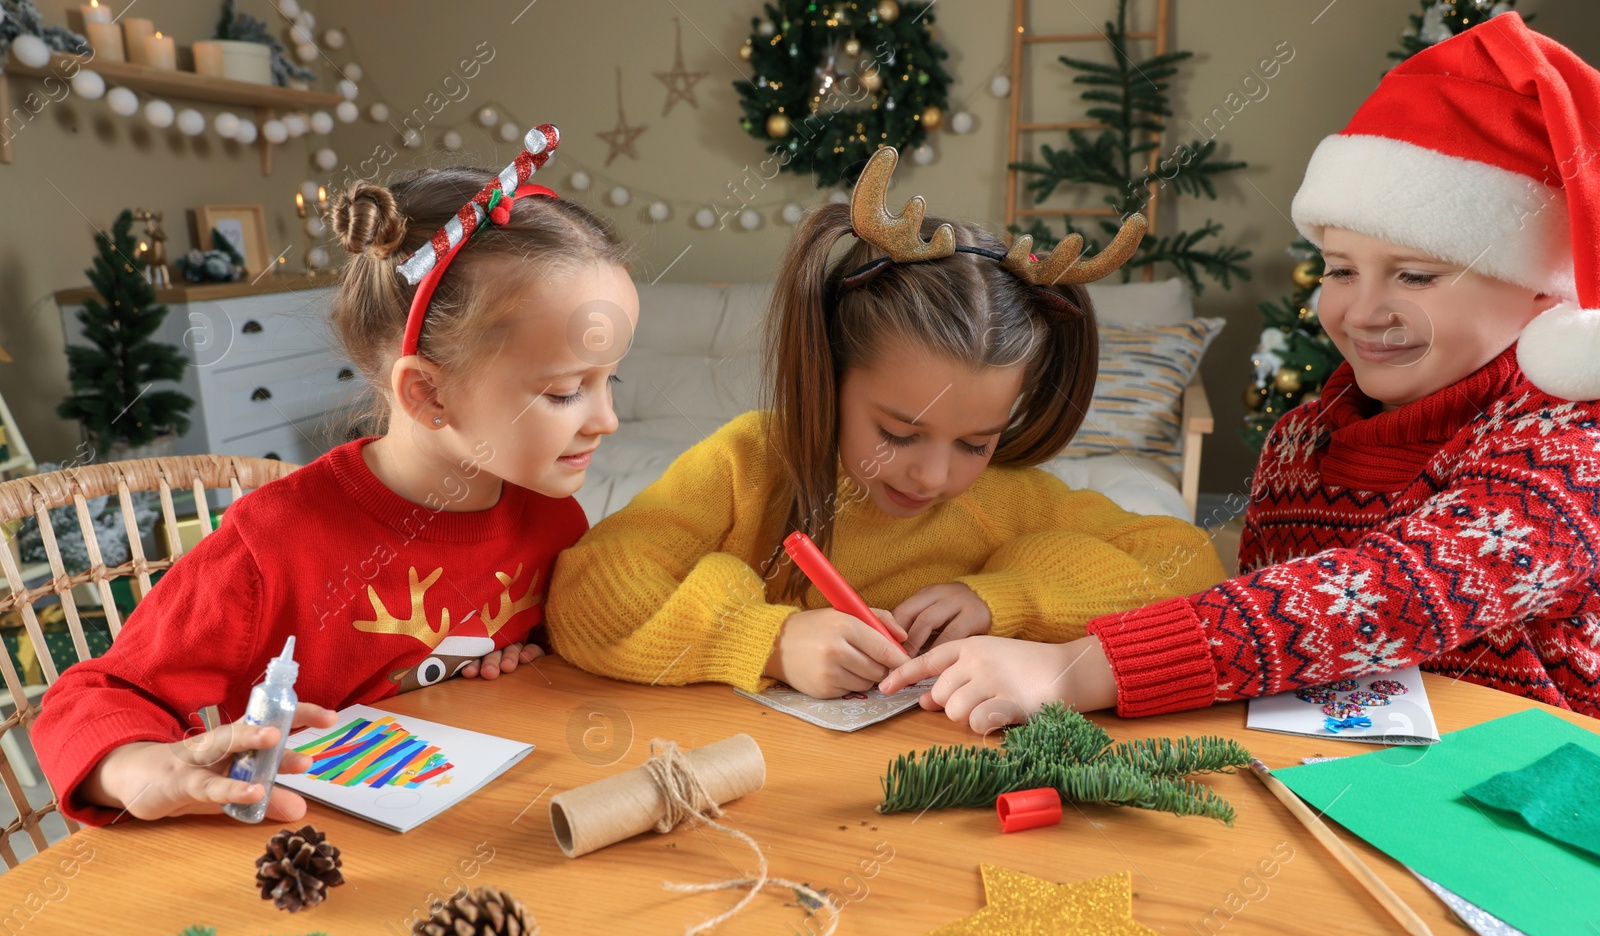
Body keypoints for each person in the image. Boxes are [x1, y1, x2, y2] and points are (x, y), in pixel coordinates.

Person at [880, 14, 1600, 731]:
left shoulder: (1571, 451)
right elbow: (1259, 647)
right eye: (1341, 269)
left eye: (1415, 274)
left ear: (1541, 288)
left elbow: (1386, 594)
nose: (1364, 309)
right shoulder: (1298, 446)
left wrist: (1079, 667)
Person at [33, 126, 639, 822]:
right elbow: (96, 694)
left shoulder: (552, 517)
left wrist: (519, 661)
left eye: (609, 379)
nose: (606, 419)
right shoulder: (274, 544)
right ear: (428, 394)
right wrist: (139, 765)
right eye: (566, 391)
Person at [546, 147, 1225, 698]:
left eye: (975, 442)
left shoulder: (1007, 499)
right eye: (898, 432)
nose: (934, 475)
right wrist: (767, 641)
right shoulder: (746, 464)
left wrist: (1009, 597)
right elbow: (587, 593)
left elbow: (1187, 564)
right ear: (830, 375)